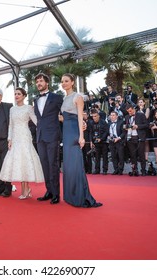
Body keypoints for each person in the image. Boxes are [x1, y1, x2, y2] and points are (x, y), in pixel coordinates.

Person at [60, 73, 102, 208]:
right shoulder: (64, 98)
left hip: (73, 133)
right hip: (65, 133)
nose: (64, 83)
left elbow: (80, 117)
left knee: (76, 165)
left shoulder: (77, 97)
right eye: (62, 81)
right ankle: (70, 196)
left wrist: (81, 136)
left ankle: (80, 196)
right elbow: (63, 117)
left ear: (72, 82)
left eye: (66, 81)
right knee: (68, 166)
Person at [0, 87, 44, 199]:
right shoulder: (12, 109)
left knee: (25, 160)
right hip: (15, 137)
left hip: (25, 136)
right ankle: (25, 190)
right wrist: (9, 139)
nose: (16, 95)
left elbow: (37, 121)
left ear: (24, 96)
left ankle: (26, 190)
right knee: (19, 162)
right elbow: (10, 125)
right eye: (15, 94)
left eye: (19, 94)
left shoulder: (29, 108)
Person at [34, 73, 63, 204]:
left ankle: (56, 193)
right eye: (37, 82)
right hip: (40, 136)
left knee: (53, 164)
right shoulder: (35, 100)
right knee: (44, 165)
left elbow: (65, 113)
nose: (38, 83)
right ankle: (49, 191)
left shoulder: (57, 97)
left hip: (52, 135)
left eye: (41, 81)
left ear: (47, 83)